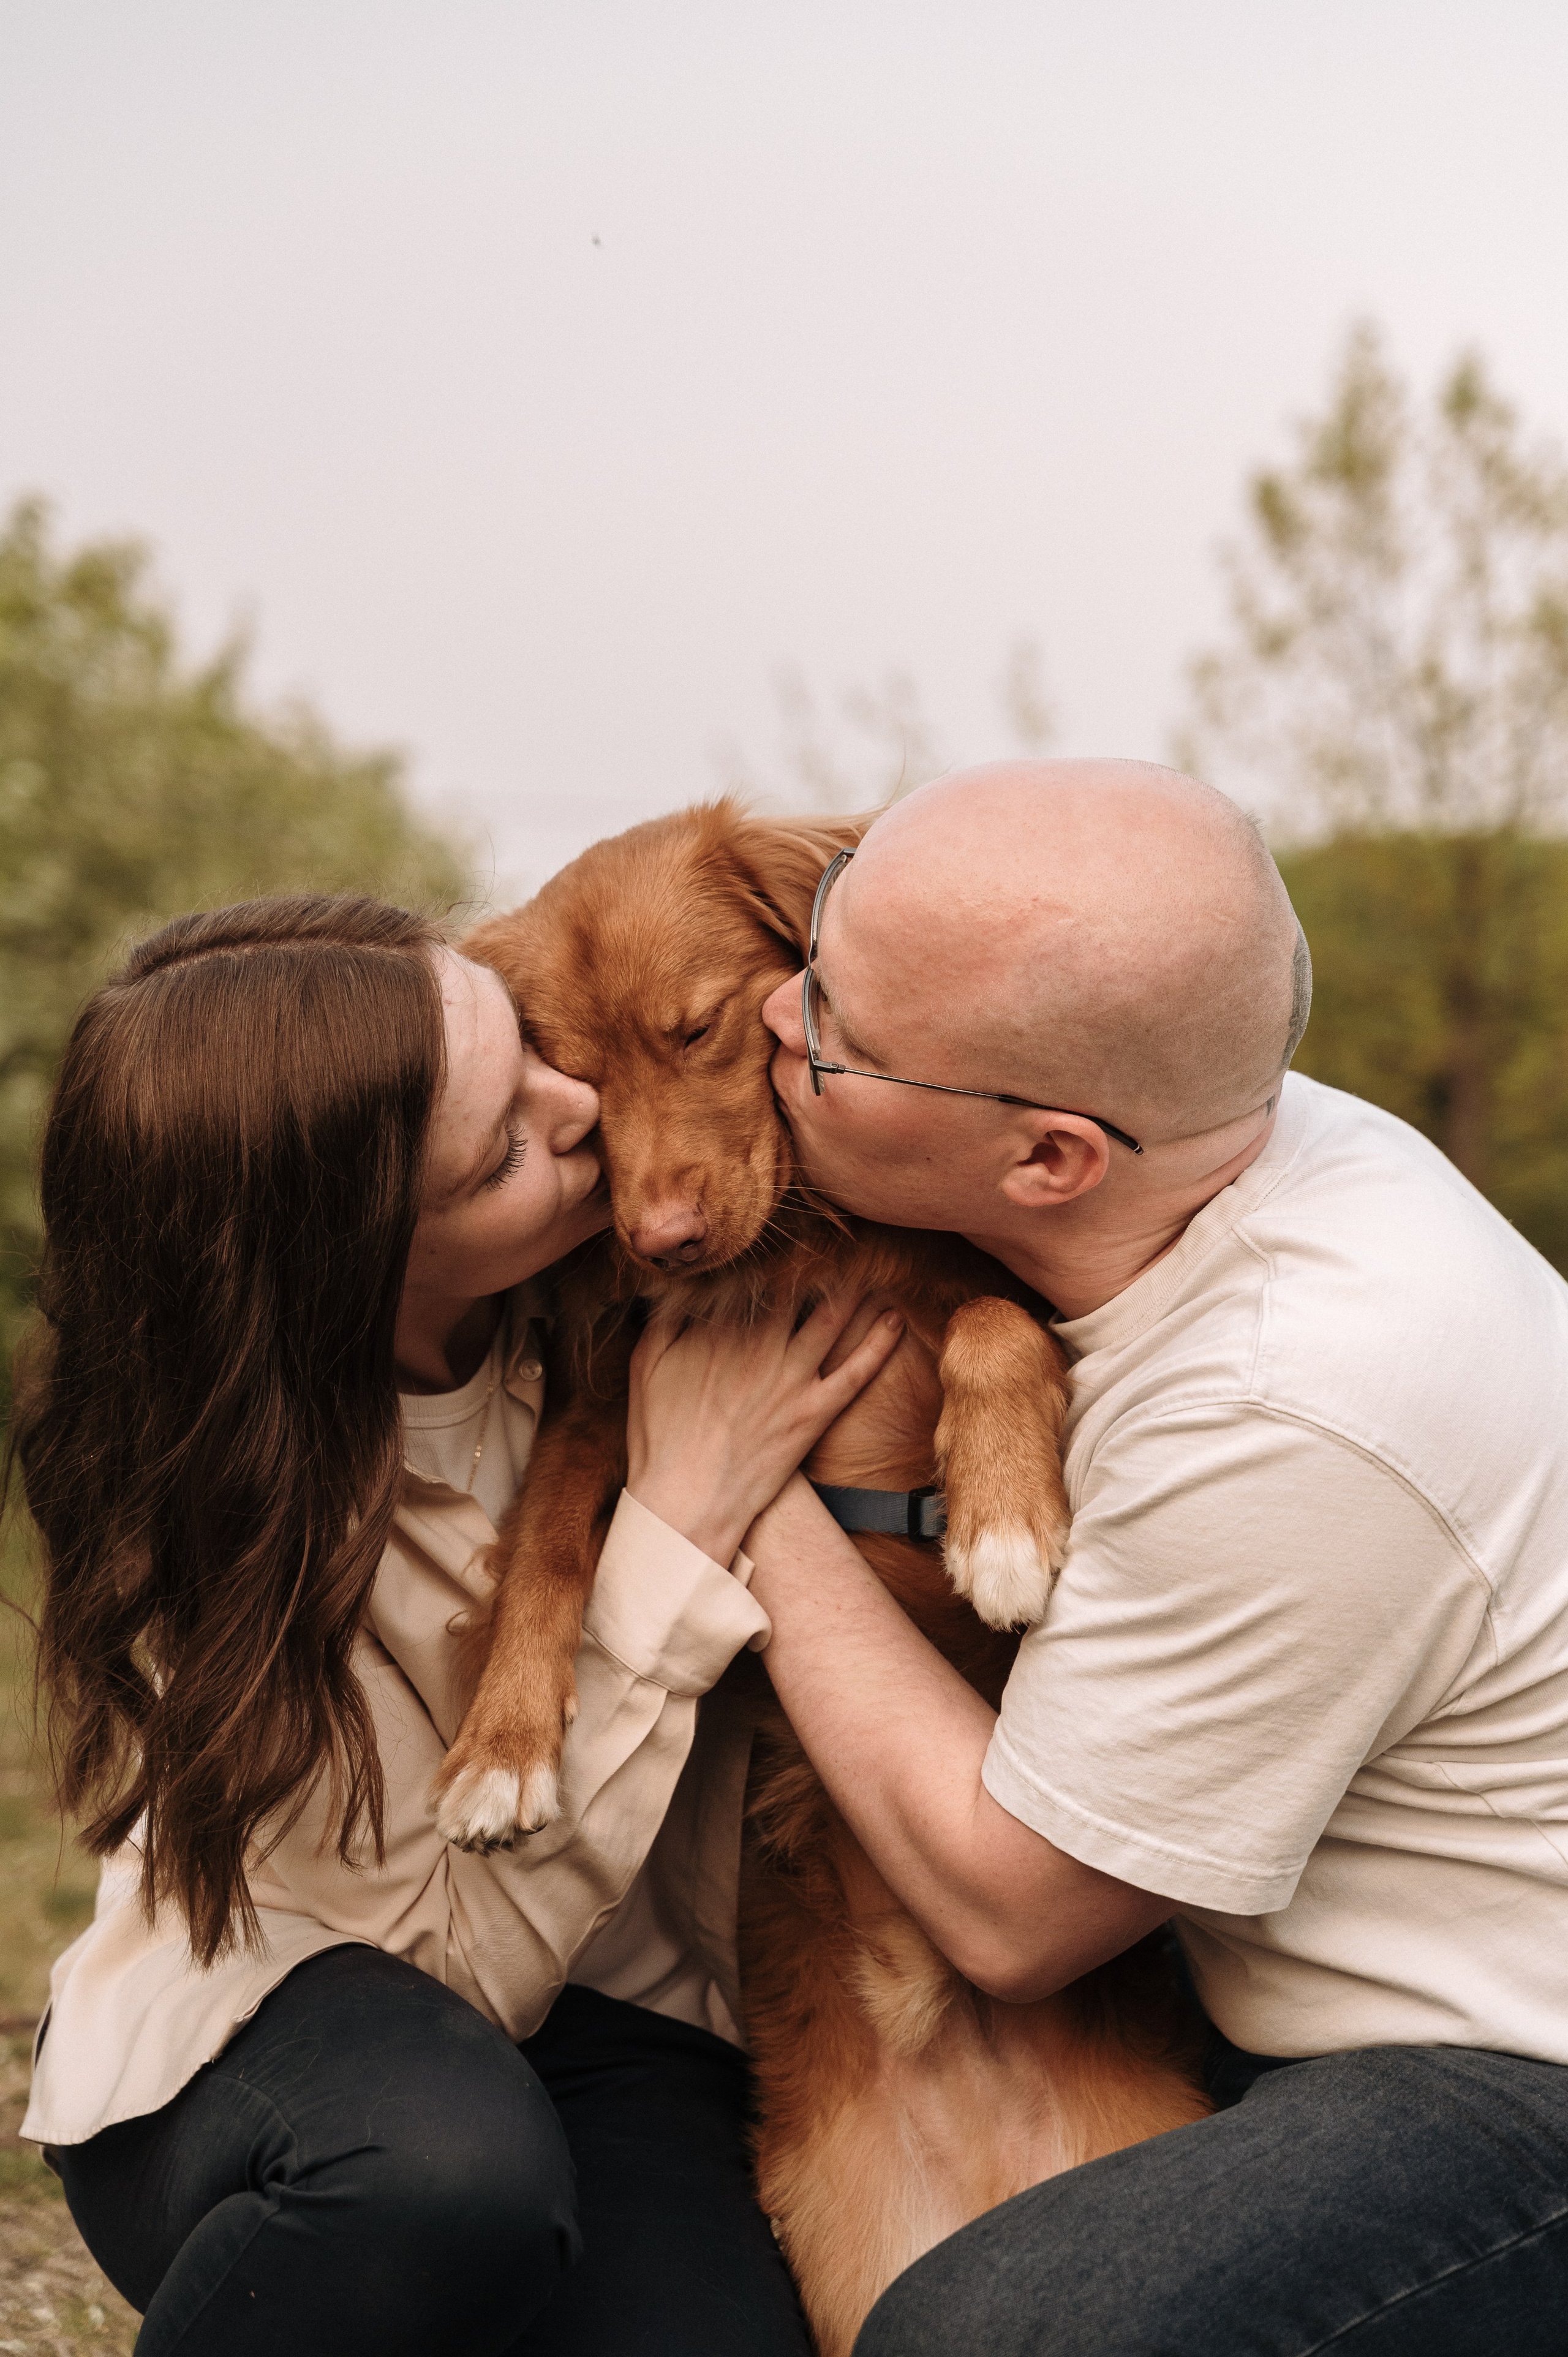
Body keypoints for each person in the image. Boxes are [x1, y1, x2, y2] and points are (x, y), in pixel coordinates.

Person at [721, 756, 1568, 2354]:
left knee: (1001, 2336)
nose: (776, 1018)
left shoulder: (1291, 1398)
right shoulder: (1200, 1132)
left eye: (836, 1028)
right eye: (814, 953)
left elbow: (1018, 1917)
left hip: (1515, 2068)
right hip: (1300, 1996)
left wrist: (734, 1494)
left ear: (1051, 1157)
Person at [12, 892, 903, 2357]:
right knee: (440, 2188)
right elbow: (453, 1971)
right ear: (353, 1258)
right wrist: (672, 1532)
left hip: (631, 2027)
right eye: (505, 1148)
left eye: (535, 1057)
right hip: (301, 2028)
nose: (587, 1115)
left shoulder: (640, 1289)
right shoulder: (231, 1505)